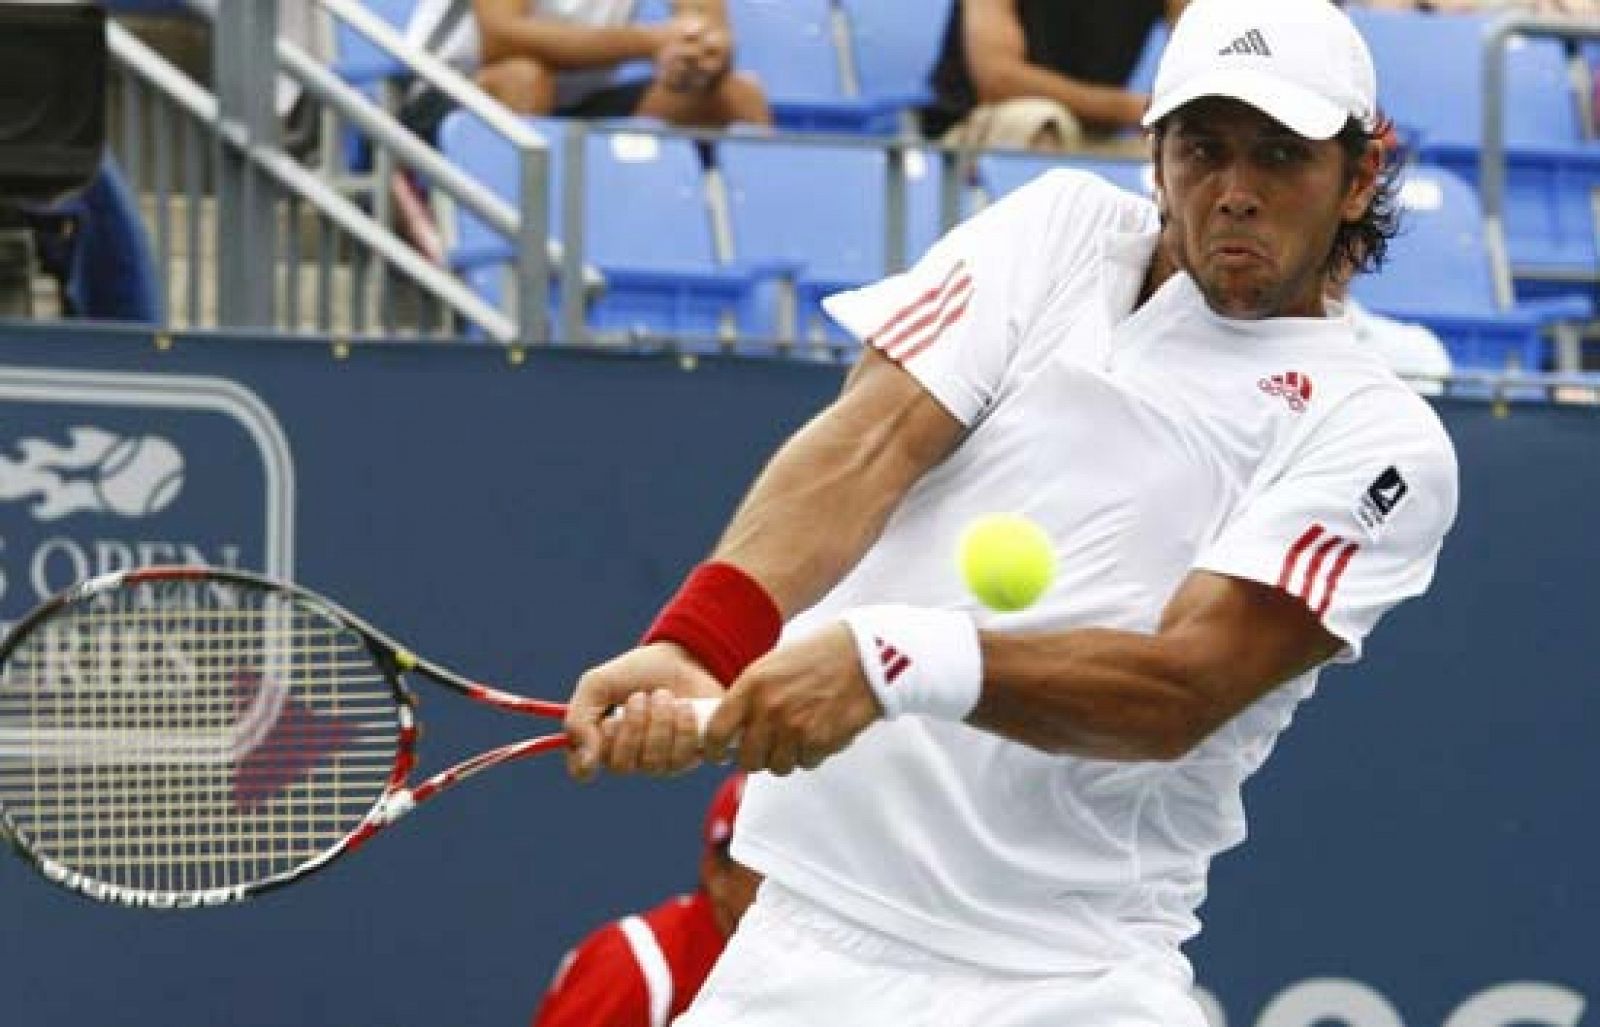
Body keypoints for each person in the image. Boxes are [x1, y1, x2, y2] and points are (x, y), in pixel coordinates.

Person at [566, 0, 1460, 1023]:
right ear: (1155, 155)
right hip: (800, 941)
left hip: (1067, 980)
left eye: (1279, 155)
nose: (1236, 192)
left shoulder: (1375, 434)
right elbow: (869, 442)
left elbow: (1181, 687)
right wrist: (700, 638)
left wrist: (891, 660)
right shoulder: (1056, 228)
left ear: (1355, 181)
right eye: (1202, 148)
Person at [530, 773, 761, 1027]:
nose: (793, 882)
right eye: (768, 865)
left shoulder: (797, 965)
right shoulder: (636, 969)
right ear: (717, 873)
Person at [401, 0, 771, 144]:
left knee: (735, 97)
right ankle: (515, 273)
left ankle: (778, 287)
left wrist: (701, 55)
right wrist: (649, 43)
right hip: (447, 100)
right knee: (524, 78)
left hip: (567, 112)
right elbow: (501, 39)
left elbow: (710, 31)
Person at [920, 0, 1191, 151]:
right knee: (1042, 122)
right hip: (978, 128)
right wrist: (1130, 109)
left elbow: (1207, 47)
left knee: (1183, 159)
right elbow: (998, 80)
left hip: (1096, 136)